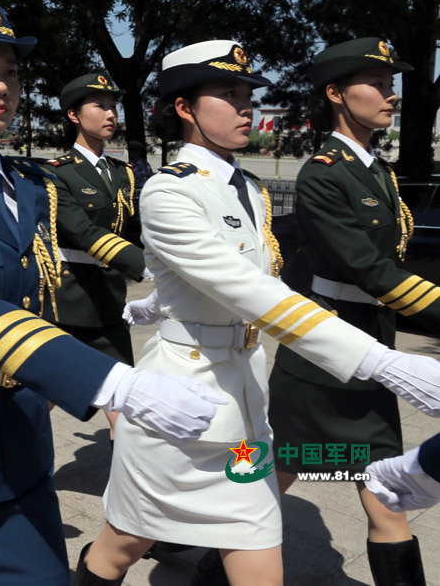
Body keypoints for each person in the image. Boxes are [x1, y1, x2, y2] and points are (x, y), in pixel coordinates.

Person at [0, 0, 230, 586]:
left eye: (10, 72)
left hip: (20, 435)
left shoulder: (33, 186)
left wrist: (159, 294)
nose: (1, 86)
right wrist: (117, 383)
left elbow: (45, 280)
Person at [75, 40, 440, 586]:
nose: (245, 108)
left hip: (246, 406)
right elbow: (249, 291)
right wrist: (380, 362)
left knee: (261, 556)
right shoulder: (168, 191)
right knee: (121, 547)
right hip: (180, 406)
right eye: (228, 95)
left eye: (247, 96)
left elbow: (266, 272)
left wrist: (166, 296)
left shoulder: (248, 187)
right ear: (184, 108)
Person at [261, 37, 434, 586]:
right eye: (377, 85)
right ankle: (206, 563)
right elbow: (369, 269)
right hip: (326, 353)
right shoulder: (323, 173)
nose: (391, 95)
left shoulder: (376, 169)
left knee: (385, 493)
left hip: (372, 346)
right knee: (273, 476)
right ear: (336, 94)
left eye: (391, 84)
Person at [42, 73, 145, 448]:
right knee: (42, 399)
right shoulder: (55, 172)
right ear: (73, 115)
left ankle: (127, 480)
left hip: (108, 301)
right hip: (69, 302)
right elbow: (83, 232)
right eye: (99, 106)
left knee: (124, 406)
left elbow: (134, 232)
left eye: (113, 106)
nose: (111, 114)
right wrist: (145, 266)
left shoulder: (123, 174)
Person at [366, 434, 440, 513]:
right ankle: (392, 500)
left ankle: (391, 499)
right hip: (433, 484)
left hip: (421, 460)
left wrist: (390, 498)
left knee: (371, 473)